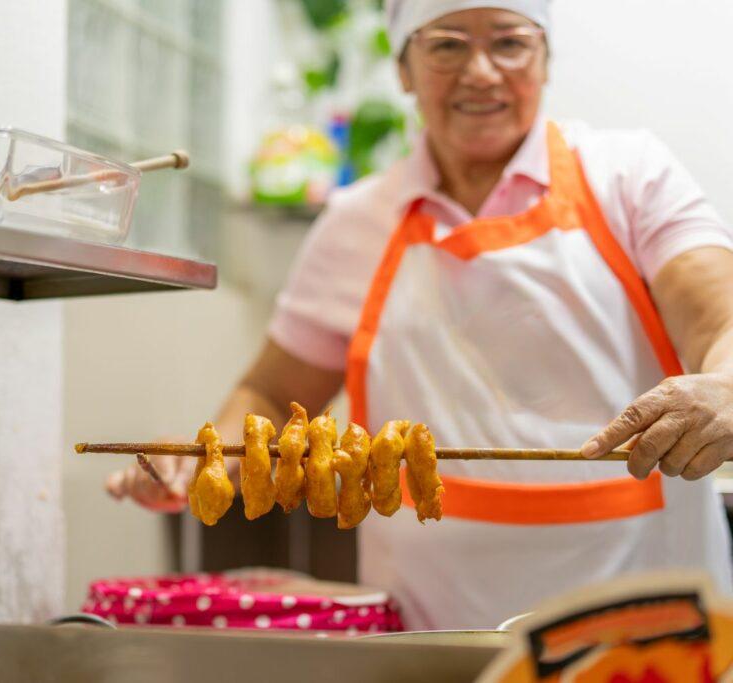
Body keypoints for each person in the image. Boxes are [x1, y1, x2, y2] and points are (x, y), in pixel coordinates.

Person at [106, 0, 733, 630]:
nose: (481, 71)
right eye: (447, 45)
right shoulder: (356, 222)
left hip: (648, 615)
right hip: (436, 625)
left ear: (544, 61)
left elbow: (719, 323)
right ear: (404, 69)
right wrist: (199, 461)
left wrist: (726, 383)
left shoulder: (631, 174)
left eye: (510, 43)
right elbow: (272, 395)